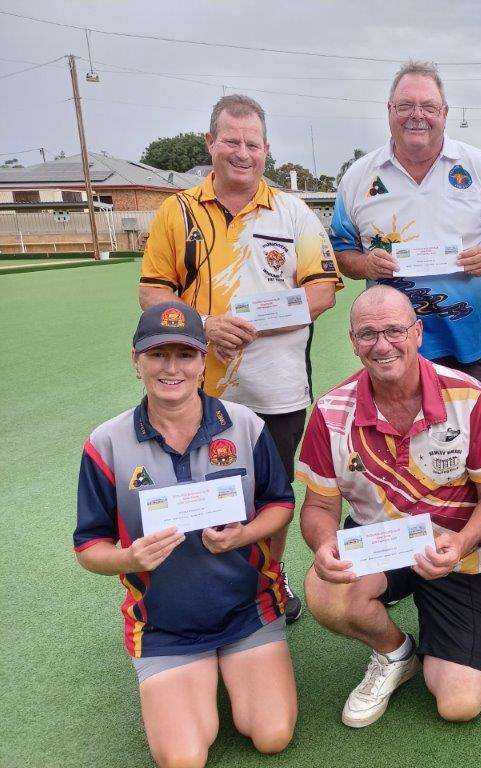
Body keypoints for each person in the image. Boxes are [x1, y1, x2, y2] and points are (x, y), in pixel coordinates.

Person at [140, 94, 344, 623]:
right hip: (191, 388)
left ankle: (268, 585)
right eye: (231, 140)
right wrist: (204, 328)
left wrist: (251, 325)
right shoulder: (177, 211)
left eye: (253, 143)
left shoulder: (292, 211)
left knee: (270, 494)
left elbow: (322, 290)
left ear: (267, 150)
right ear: (211, 143)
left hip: (277, 389)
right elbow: (153, 294)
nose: (242, 152)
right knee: (197, 489)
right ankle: (203, 589)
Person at [74, 302, 297, 768]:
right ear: (136, 362)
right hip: (163, 626)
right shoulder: (107, 442)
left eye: (185, 354)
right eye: (157, 355)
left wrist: (244, 536)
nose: (171, 368)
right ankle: (195, 675)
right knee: (183, 758)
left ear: (202, 361)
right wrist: (129, 559)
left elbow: (280, 505)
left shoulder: (244, 425)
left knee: (271, 735)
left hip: (247, 610)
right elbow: (89, 547)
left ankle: (231, 665)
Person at [296, 285, 481, 727]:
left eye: (394, 330)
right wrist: (323, 545)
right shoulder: (330, 410)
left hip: (455, 552)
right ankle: (395, 653)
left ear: (417, 333)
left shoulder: (468, 397)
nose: (382, 344)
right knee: (325, 592)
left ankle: (442, 632)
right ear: (353, 343)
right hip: (378, 543)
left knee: (458, 703)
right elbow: (318, 506)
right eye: (368, 334)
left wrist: (463, 540)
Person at [330, 60, 481, 389]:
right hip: (386, 349)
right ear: (389, 110)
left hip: (463, 349)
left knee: (466, 438)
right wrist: (365, 263)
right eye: (405, 106)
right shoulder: (358, 177)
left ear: (444, 112)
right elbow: (342, 251)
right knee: (388, 439)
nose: (417, 115)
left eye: (428, 106)